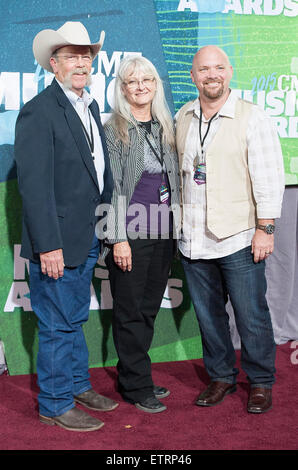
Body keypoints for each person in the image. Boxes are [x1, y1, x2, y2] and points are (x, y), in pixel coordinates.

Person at [14, 22, 118, 432]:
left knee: (74, 318)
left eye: (86, 56)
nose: (81, 63)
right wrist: (49, 246)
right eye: (72, 56)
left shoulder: (88, 106)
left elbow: (95, 175)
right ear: (53, 65)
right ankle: (55, 403)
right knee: (57, 324)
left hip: (86, 235)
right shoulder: (39, 111)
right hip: (56, 242)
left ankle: (76, 384)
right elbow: (35, 187)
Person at [175, 45, 284, 414]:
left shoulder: (252, 118)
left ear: (230, 72)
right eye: (204, 69)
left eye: (218, 67)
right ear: (193, 76)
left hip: (238, 236)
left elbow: (269, 176)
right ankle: (221, 376)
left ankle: (260, 381)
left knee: (251, 314)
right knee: (208, 316)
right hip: (193, 240)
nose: (211, 75)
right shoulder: (183, 116)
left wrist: (265, 228)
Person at [103, 55, 180, 413]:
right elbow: (112, 186)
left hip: (165, 230)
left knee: (148, 307)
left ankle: (133, 373)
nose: (140, 86)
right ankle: (137, 386)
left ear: (155, 84)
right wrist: (117, 237)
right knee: (131, 310)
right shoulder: (114, 128)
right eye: (132, 81)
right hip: (131, 231)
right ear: (122, 88)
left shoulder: (166, 124)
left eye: (146, 79)